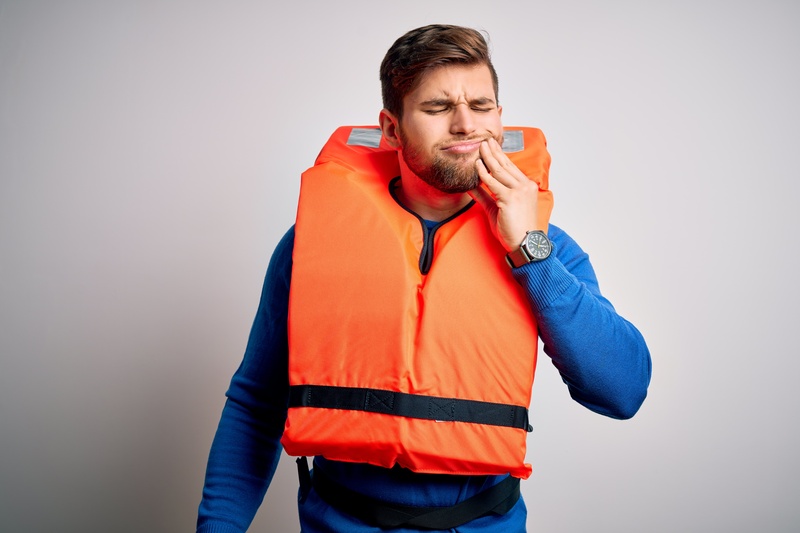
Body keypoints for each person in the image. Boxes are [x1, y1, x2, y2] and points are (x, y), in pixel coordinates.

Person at [197, 24, 651, 533]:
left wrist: (531, 252)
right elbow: (256, 405)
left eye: (481, 106)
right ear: (391, 129)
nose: (465, 125)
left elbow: (623, 391)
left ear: (500, 119)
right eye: (438, 108)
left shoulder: (546, 247)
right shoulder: (310, 243)